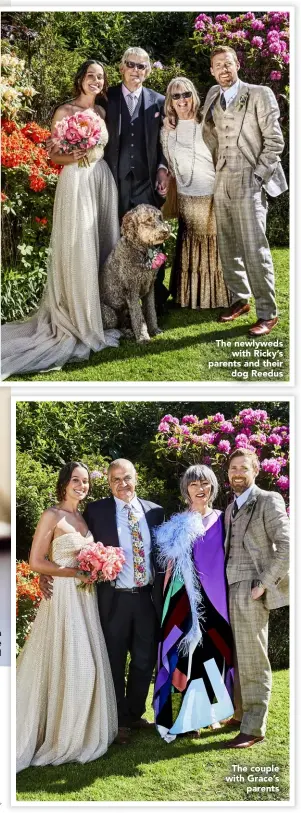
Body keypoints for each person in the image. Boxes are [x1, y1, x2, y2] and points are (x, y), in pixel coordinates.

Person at [1, 60, 120, 381]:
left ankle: (104, 311)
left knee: (102, 245)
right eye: (90, 76)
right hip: (77, 181)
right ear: (80, 79)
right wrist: (78, 153)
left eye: (101, 77)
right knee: (79, 245)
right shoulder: (64, 112)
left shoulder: (103, 113)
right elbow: (54, 155)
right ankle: (80, 317)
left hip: (101, 181)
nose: (96, 81)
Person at [39, 457, 165, 746]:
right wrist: (46, 573)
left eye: (127, 478)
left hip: (147, 598)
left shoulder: (155, 512)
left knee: (145, 660)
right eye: (115, 479)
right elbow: (68, 547)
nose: (123, 484)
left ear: (136, 478)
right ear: (108, 483)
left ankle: (135, 713)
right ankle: (117, 720)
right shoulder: (96, 512)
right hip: (112, 599)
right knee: (113, 660)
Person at [16, 462, 118, 773]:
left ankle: (74, 731)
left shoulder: (83, 519)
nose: (81, 485)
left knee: (82, 663)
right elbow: (36, 561)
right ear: (64, 483)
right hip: (62, 599)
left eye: (85, 481)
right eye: (76, 480)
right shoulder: (53, 515)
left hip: (84, 600)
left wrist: (100, 566)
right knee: (70, 663)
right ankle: (58, 736)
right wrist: (73, 572)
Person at [202, 46, 288, 336]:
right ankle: (240, 299)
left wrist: (259, 176)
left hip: (249, 177)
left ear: (237, 64)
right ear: (212, 71)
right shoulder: (213, 94)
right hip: (222, 177)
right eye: (218, 65)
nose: (224, 69)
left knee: (254, 246)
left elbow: (275, 142)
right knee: (227, 245)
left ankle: (268, 312)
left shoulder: (259, 93)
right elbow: (208, 130)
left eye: (228, 63)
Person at [153, 464, 234, 742]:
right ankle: (186, 716)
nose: (200, 490)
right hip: (185, 601)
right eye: (194, 485)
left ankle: (212, 714)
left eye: (205, 484)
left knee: (215, 655)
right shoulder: (177, 524)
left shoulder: (225, 519)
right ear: (186, 490)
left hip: (218, 601)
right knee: (185, 658)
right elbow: (170, 567)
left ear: (212, 487)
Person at [223, 448, 289, 748]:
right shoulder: (229, 508)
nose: (237, 472)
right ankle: (238, 713)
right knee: (236, 656)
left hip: (251, 588)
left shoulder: (268, 500)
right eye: (233, 467)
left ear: (255, 470)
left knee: (253, 658)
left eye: (243, 468)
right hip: (228, 589)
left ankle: (254, 727)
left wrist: (263, 583)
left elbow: (288, 545)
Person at [102, 47, 170, 310]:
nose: (135, 70)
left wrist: (163, 167)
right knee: (117, 238)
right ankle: (116, 299)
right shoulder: (108, 97)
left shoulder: (159, 101)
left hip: (146, 182)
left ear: (148, 71)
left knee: (152, 238)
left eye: (141, 66)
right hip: (114, 181)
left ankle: (156, 296)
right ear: (122, 67)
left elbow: (166, 142)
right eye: (131, 64)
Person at [161, 77, 229, 310]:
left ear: (194, 96)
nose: (182, 100)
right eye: (176, 96)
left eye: (186, 94)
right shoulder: (167, 130)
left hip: (211, 194)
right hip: (185, 195)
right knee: (190, 244)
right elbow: (169, 163)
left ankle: (217, 296)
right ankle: (189, 296)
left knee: (212, 245)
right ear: (170, 101)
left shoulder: (207, 124)